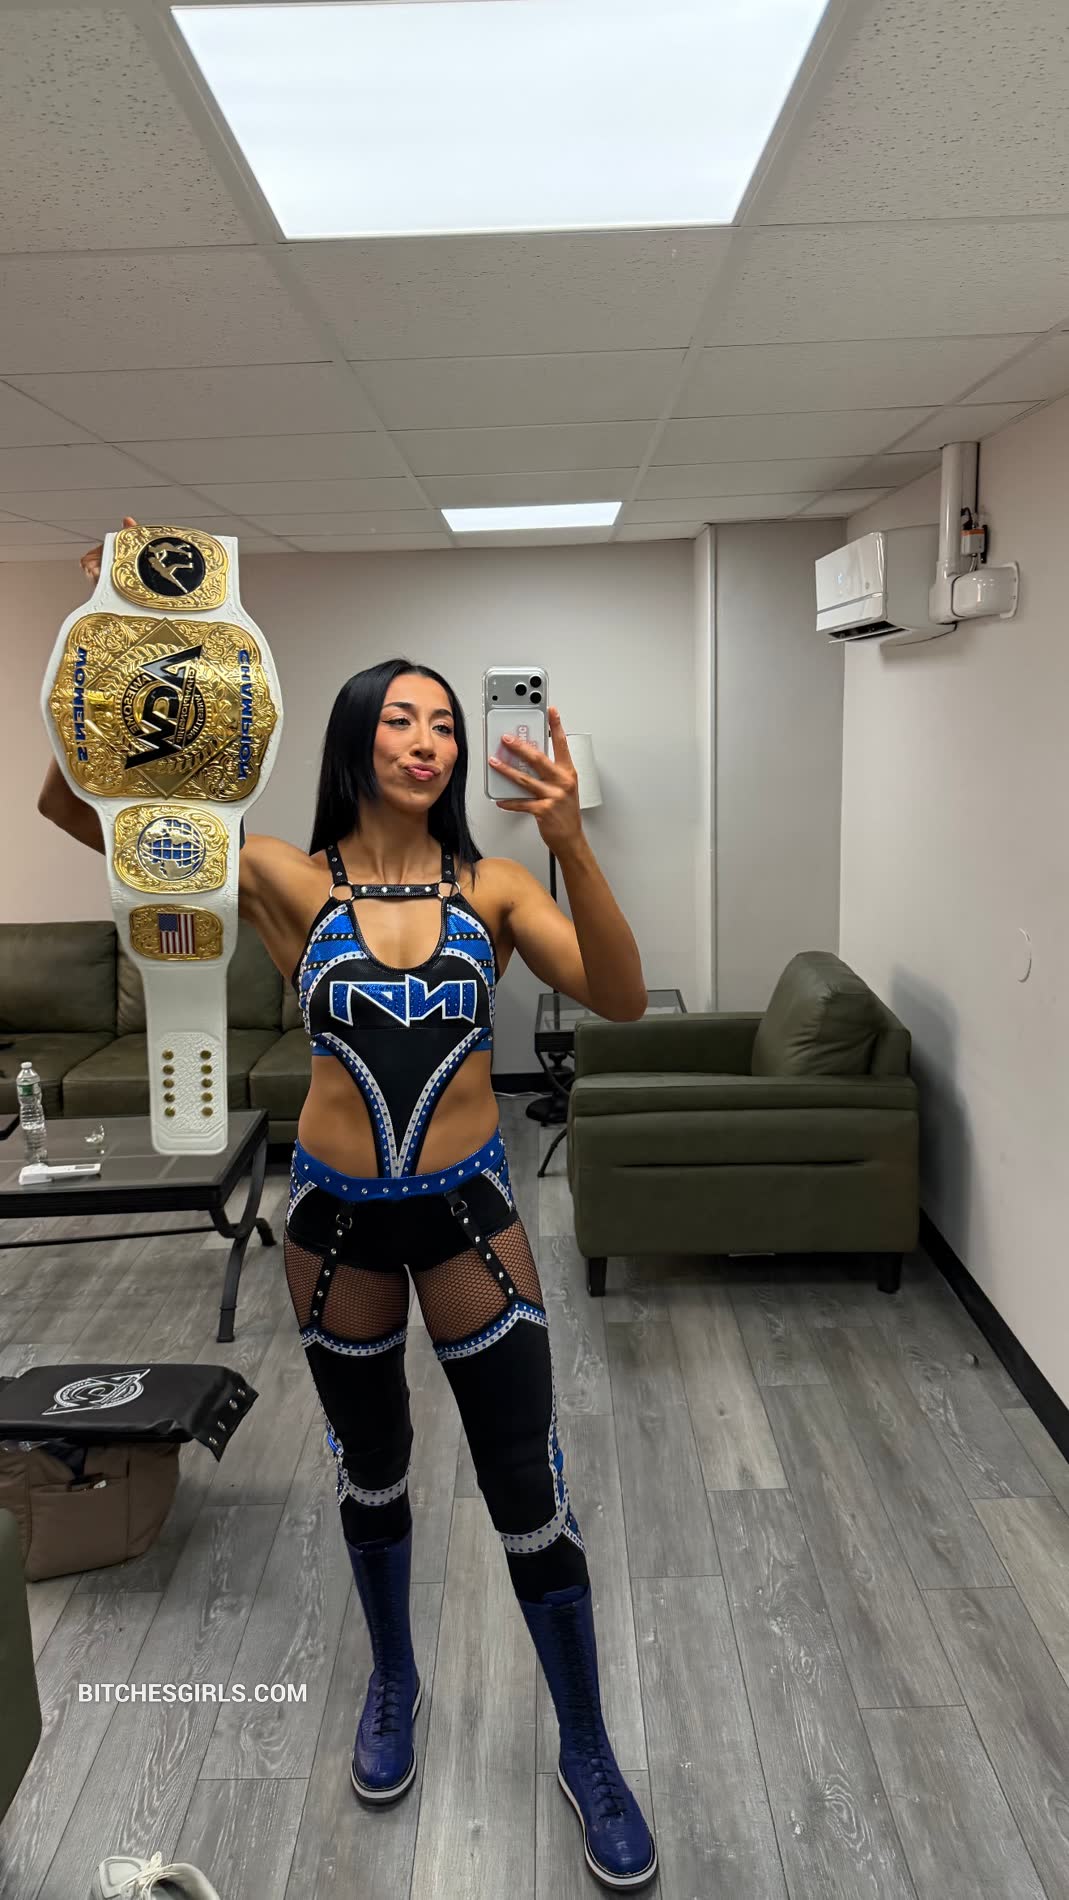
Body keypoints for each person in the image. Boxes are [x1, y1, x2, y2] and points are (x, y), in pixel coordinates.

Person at [38, 520, 658, 1893]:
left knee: (528, 1486)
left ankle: (588, 1745)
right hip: (333, 1235)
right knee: (370, 1474)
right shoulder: (284, 877)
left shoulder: (495, 885)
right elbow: (85, 814)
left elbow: (618, 994)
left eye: (443, 724)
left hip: (470, 1223)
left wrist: (568, 840)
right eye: (399, 720)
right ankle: (394, 1682)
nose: (427, 741)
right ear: (354, 740)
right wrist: (126, 641)